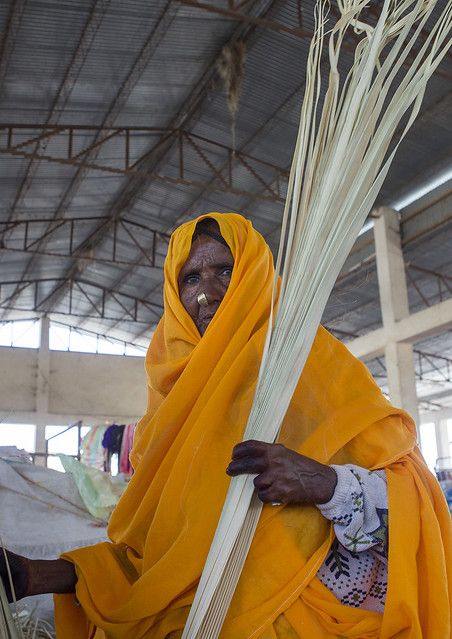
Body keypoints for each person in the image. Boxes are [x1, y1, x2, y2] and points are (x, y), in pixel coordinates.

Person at [1, 213, 451, 638]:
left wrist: (325, 484)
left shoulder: (309, 364)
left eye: (224, 271)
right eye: (191, 277)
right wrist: (36, 575)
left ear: (255, 274)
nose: (206, 292)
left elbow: (416, 503)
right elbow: (158, 562)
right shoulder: (171, 399)